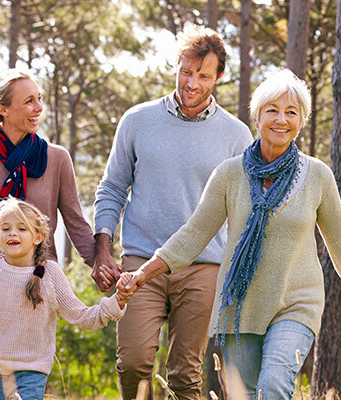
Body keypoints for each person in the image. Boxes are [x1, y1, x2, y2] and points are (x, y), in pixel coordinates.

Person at [117, 69, 341, 399]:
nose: (281, 120)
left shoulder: (317, 176)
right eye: (273, 110)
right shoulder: (229, 174)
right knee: (245, 395)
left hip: (296, 302)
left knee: (275, 384)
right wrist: (142, 274)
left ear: (302, 120)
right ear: (257, 115)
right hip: (240, 306)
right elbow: (193, 234)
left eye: (292, 112)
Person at [92, 25, 253, 399]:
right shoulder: (137, 120)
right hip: (140, 261)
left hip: (203, 267)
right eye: (185, 71)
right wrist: (102, 249)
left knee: (185, 375)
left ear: (219, 77)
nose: (191, 83)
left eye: (202, 75)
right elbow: (112, 187)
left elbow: (244, 212)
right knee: (133, 362)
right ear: (177, 66)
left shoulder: (236, 135)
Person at [0, 69, 97, 394]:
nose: (38, 108)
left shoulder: (57, 159)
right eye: (28, 101)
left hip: (38, 287)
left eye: (39, 100)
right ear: (3, 108)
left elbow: (75, 221)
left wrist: (98, 265)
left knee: (30, 385)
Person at [0, 198, 128, 400]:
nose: (12, 233)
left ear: (38, 236)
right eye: (6, 228)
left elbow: (81, 315)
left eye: (22, 228)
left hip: (31, 373)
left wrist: (115, 302)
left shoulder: (50, 274)